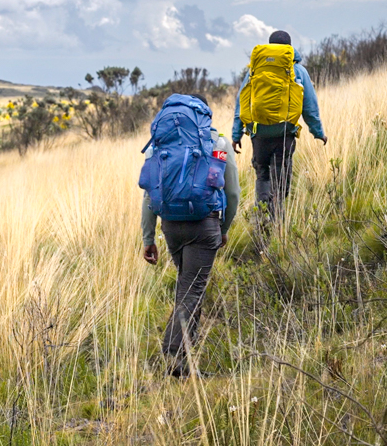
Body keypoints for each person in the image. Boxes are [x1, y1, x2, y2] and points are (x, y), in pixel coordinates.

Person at [139, 93, 240, 377]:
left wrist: (148, 238)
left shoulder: (159, 145)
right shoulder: (218, 142)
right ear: (204, 114)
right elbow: (233, 192)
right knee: (192, 291)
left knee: (188, 287)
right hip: (204, 225)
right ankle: (173, 354)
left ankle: (184, 362)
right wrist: (223, 229)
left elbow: (149, 194)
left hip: (170, 225)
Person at [232, 30, 327, 219]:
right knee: (280, 180)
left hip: (258, 133)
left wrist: (236, 135)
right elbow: (309, 106)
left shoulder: (254, 69)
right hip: (284, 132)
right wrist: (318, 132)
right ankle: (277, 223)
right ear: (290, 48)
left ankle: (261, 220)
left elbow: (242, 102)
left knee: (262, 175)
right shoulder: (297, 70)